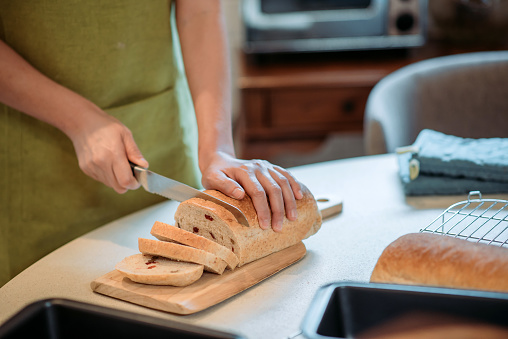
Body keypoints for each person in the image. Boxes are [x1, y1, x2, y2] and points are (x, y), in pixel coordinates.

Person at [0, 0, 303, 287]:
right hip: (35, 158)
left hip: (160, 134)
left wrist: (217, 149)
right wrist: (76, 118)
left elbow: (201, 12)